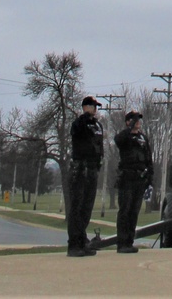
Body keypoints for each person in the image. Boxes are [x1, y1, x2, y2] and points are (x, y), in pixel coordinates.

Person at [67, 95, 104, 257]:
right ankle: (73, 244)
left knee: (87, 207)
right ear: (86, 107)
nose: (95, 109)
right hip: (79, 169)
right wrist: (84, 116)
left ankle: (83, 240)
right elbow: (76, 132)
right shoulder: (78, 123)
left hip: (92, 168)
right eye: (93, 106)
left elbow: (99, 145)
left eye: (96, 107)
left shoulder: (98, 125)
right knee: (77, 206)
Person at [113, 110, 154, 254]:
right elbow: (118, 140)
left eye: (138, 120)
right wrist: (129, 129)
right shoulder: (124, 137)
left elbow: (148, 156)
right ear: (128, 122)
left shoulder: (143, 137)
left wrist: (150, 176)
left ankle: (129, 241)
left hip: (140, 178)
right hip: (127, 178)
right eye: (134, 119)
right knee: (125, 210)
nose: (138, 122)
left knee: (134, 211)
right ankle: (122, 242)